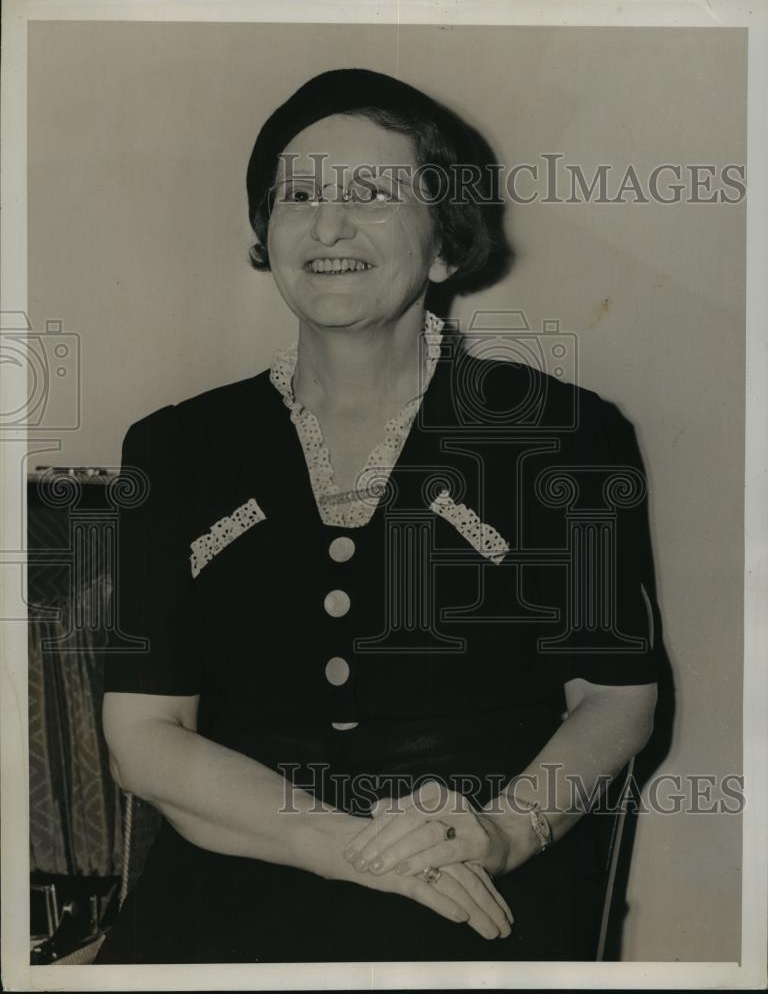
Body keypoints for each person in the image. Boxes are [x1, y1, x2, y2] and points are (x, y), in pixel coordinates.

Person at [96, 68, 666, 964]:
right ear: (266, 233)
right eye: (300, 196)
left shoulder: (567, 436)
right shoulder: (173, 450)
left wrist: (508, 832)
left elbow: (617, 697)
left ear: (444, 242)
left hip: (472, 871)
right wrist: (335, 846)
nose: (328, 225)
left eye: (372, 195)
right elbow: (142, 737)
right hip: (245, 863)